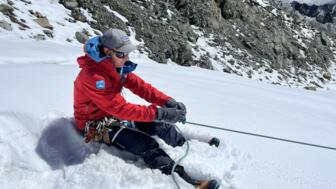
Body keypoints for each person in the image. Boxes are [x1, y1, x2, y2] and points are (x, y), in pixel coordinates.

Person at [73, 28, 219, 189]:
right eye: (121, 54)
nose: (126, 57)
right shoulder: (93, 77)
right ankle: (188, 182)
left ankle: (185, 147)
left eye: (127, 53)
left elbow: (141, 87)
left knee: (157, 125)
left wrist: (168, 102)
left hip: (112, 115)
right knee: (144, 143)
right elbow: (119, 109)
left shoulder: (113, 65)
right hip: (95, 124)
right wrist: (160, 113)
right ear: (107, 51)